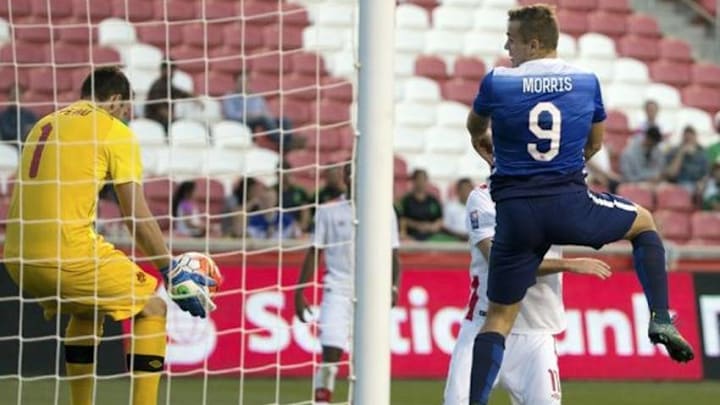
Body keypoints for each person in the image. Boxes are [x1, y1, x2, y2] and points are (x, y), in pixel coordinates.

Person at [466, 5, 693, 405]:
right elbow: (596, 143)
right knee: (644, 224)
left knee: (497, 319)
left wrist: (492, 153)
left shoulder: (498, 81)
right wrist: (563, 168)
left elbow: (475, 128)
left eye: (512, 39)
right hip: (570, 205)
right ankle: (660, 317)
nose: (507, 46)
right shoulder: (586, 81)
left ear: (533, 43)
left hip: (516, 213)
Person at [2, 67, 215, 405]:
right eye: (126, 109)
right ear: (115, 100)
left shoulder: (43, 124)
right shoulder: (114, 131)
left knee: (88, 311)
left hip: (15, 256)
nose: (127, 117)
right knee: (153, 307)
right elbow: (135, 215)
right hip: (66, 254)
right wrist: (170, 269)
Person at [443, 184, 611, 405]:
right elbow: (499, 261)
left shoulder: (557, 193)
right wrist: (568, 264)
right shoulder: (483, 197)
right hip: (484, 325)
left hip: (536, 331)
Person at [294, 163, 401, 405]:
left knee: (368, 359)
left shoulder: (384, 211)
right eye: (351, 172)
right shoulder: (327, 211)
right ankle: (323, 399)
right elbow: (314, 252)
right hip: (337, 288)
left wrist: (393, 286)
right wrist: (299, 291)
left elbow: (393, 254)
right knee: (331, 351)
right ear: (345, 176)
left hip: (371, 291)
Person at [222, 73, 303, 150]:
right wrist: (248, 114)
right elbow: (231, 115)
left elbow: (265, 111)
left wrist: (264, 115)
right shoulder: (229, 97)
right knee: (263, 118)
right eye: (241, 82)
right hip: (242, 121)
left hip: (259, 118)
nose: (244, 85)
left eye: (246, 82)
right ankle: (283, 140)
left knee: (284, 120)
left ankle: (286, 143)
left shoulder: (256, 97)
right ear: (235, 83)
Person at [144, 60, 193, 132]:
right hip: (156, 121)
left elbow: (180, 93)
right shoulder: (157, 86)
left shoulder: (168, 85)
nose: (173, 73)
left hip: (166, 120)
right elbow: (160, 108)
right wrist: (174, 119)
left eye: (173, 70)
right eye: (171, 70)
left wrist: (195, 97)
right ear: (163, 70)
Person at [398, 169, 444, 241]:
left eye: (423, 179)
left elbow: (439, 220)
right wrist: (417, 225)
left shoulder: (433, 201)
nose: (421, 182)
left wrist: (431, 227)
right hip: (412, 235)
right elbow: (402, 220)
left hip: (431, 235)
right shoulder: (406, 201)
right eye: (418, 179)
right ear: (413, 181)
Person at [664, 125, 708, 195]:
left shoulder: (702, 153)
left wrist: (702, 182)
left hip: (697, 184)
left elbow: (706, 174)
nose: (688, 140)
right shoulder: (674, 151)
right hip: (678, 184)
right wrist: (681, 154)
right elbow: (671, 174)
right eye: (686, 138)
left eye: (691, 138)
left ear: (695, 138)